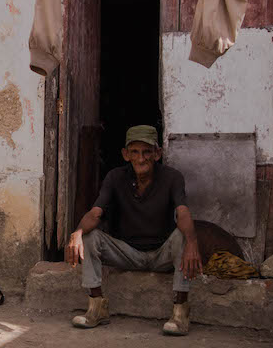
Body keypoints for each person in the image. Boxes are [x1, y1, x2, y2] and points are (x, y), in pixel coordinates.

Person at [65, 125, 202, 336]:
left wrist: (192, 243)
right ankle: (97, 308)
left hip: (161, 254)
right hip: (127, 253)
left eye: (147, 152)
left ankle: (180, 313)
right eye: (135, 152)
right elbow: (95, 213)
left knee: (183, 236)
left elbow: (182, 213)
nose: (141, 159)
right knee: (90, 235)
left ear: (158, 153)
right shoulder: (115, 177)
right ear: (125, 154)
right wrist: (76, 233)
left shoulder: (172, 177)